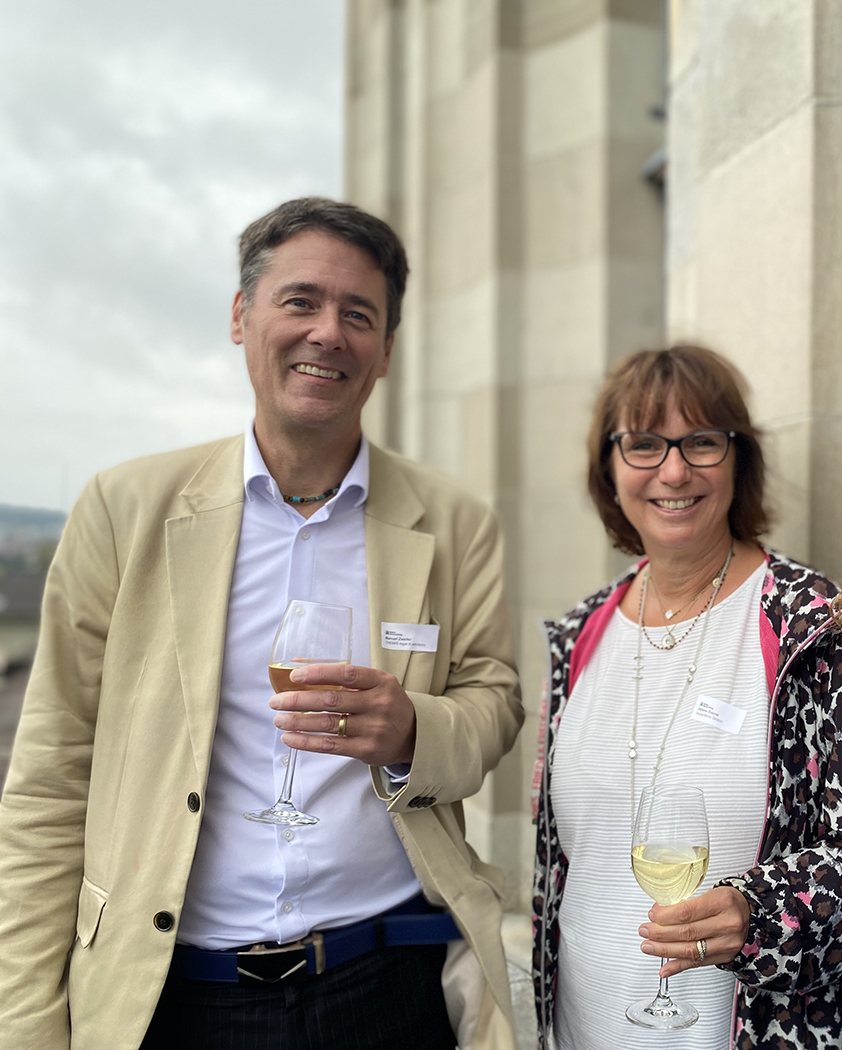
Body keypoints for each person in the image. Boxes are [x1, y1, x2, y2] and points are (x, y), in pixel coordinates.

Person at [0, 198, 524, 1050]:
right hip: (176, 998)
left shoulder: (455, 523)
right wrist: (25, 1026)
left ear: (386, 351)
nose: (329, 332)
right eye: (300, 301)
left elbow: (495, 705)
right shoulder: (123, 510)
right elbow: (51, 779)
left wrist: (411, 729)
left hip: (388, 987)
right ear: (242, 318)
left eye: (360, 315)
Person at [531, 346, 842, 1049]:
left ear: (739, 460)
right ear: (609, 467)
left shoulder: (811, 625)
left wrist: (758, 912)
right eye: (643, 444)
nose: (673, 470)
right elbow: (561, 866)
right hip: (583, 1028)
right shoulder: (577, 635)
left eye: (701, 442)